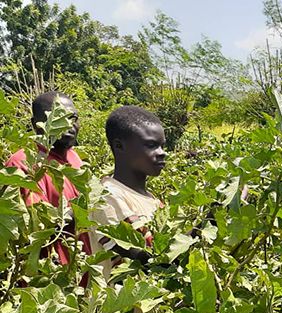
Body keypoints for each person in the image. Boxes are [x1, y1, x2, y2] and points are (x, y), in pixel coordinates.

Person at [5, 91, 92, 266]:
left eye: (73, 117)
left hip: (81, 272)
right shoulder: (22, 163)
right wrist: (82, 210)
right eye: (58, 116)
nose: (69, 124)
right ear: (35, 124)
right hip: (47, 275)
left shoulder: (76, 159)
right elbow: (35, 226)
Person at [89, 105, 166, 280]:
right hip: (121, 306)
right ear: (119, 146)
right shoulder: (106, 196)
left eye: (162, 146)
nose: (161, 153)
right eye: (151, 145)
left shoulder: (153, 199)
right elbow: (150, 257)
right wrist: (206, 224)